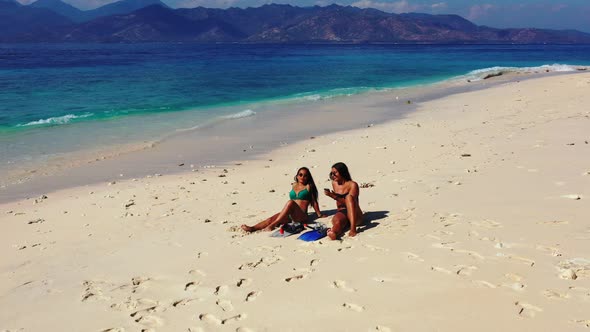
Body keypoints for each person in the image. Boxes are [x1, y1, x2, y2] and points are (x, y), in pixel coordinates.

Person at [241, 167, 325, 232]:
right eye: (300, 174)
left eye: (305, 175)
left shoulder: (309, 186)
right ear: (297, 175)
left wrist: (319, 214)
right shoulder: (294, 185)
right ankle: (253, 228)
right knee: (271, 219)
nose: (302, 177)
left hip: (301, 216)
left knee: (290, 202)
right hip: (290, 214)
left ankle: (273, 225)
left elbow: (314, 201)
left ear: (308, 177)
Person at [323, 162, 363, 239]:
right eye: (332, 173)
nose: (333, 175)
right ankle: (333, 232)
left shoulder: (352, 185)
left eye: (335, 173)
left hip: (355, 213)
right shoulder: (334, 183)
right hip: (342, 211)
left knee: (349, 197)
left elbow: (350, 203)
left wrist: (333, 196)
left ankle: (353, 228)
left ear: (342, 172)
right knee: (337, 221)